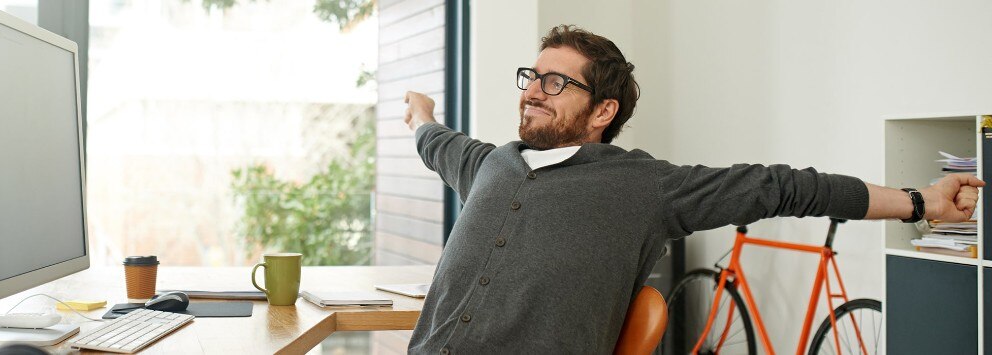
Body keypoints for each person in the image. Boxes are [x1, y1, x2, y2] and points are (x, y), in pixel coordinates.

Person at [401, 24, 984, 354]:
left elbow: (783, 188)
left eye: (556, 82)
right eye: (531, 77)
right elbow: (434, 139)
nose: (533, 90)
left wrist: (921, 202)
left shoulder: (643, 187)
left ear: (603, 110)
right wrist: (422, 111)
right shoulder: (489, 165)